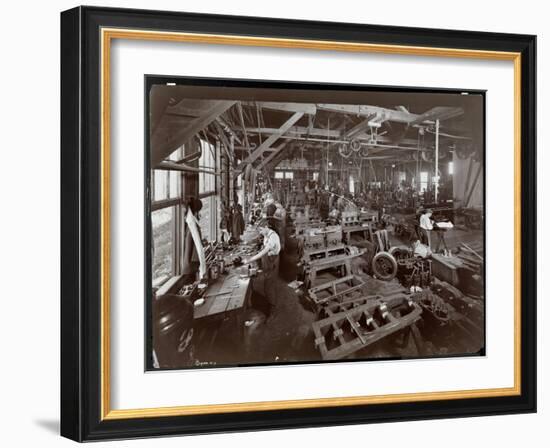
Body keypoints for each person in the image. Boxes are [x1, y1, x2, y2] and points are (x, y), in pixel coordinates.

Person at [242, 218, 281, 323]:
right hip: (267, 263)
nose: (260, 232)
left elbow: (264, 251)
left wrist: (250, 259)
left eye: (261, 230)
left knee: (269, 287)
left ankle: (273, 312)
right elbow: (259, 240)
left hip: (272, 263)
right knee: (266, 286)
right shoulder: (266, 234)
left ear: (266, 227)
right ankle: (269, 307)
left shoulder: (273, 237)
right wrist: (248, 242)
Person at [182, 198, 207, 282]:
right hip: (190, 266)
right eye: (198, 211)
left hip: (192, 264)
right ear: (195, 212)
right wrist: (188, 264)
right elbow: (190, 246)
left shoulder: (192, 222)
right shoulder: (191, 226)